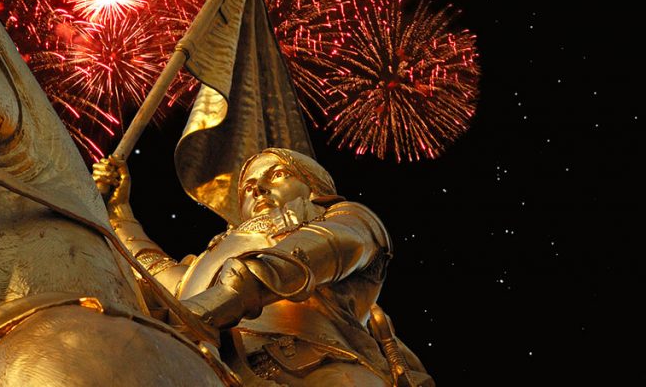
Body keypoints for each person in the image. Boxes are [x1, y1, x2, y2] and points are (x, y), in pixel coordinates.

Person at [93, 148, 433, 386]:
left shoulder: (346, 218)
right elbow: (159, 277)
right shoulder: (209, 257)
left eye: (278, 174)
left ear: (314, 187)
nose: (257, 187)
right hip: (212, 362)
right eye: (248, 187)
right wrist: (119, 214)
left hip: (314, 364)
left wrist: (227, 296)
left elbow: (330, 247)